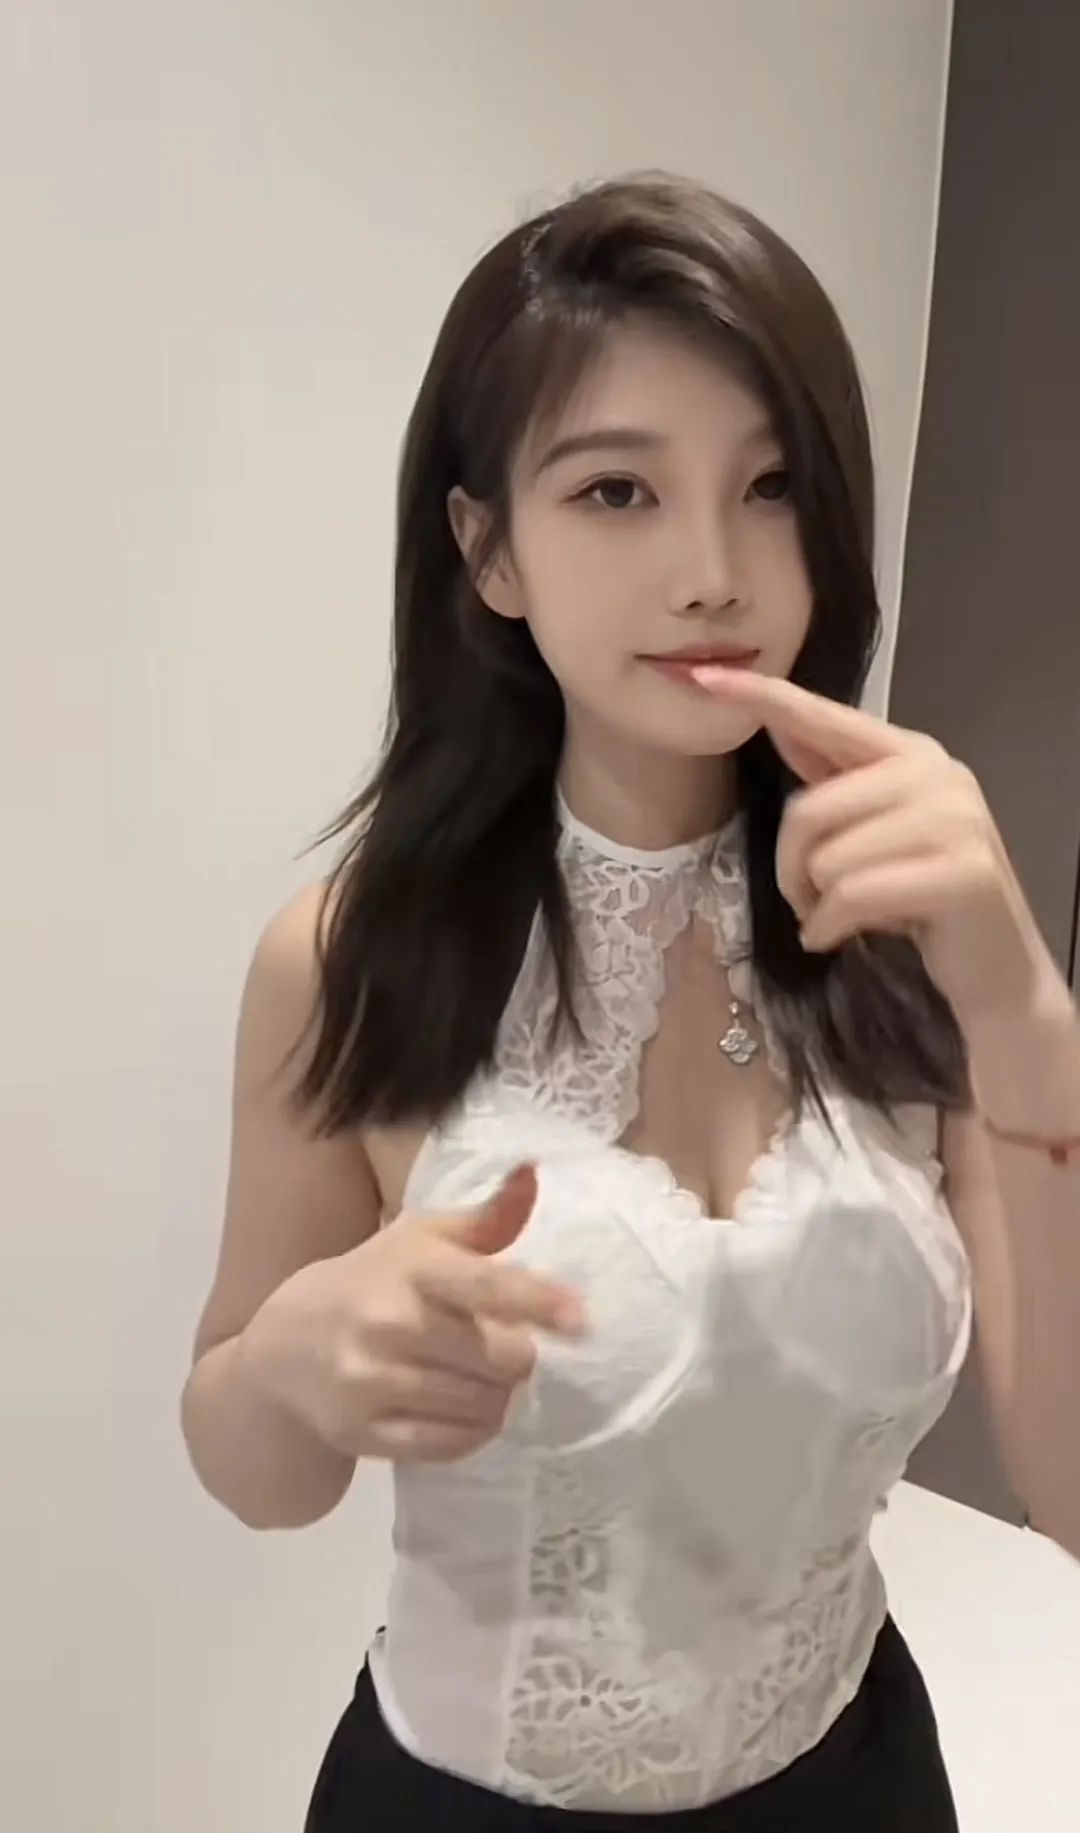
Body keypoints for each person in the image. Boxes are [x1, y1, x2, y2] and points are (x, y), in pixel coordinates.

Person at [181, 173, 1080, 1830]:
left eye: (771, 487)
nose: (713, 573)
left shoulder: (912, 931)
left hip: (860, 1778)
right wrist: (296, 1357)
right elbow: (258, 1473)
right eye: (617, 491)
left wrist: (1028, 1008)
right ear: (486, 550)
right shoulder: (352, 957)